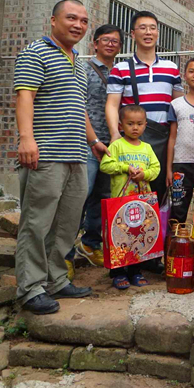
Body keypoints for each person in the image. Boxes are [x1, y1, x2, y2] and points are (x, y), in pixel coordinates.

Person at [14, 0, 105, 315]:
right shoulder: (35, 52)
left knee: (66, 225)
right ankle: (30, 289)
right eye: (71, 18)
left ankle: (55, 280)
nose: (78, 25)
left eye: (84, 20)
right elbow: (25, 96)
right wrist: (26, 139)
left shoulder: (78, 61)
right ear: (53, 20)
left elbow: (79, 108)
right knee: (36, 223)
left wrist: (94, 141)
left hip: (77, 155)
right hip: (45, 154)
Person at [105, 10, 182, 209]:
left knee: (158, 192)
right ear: (133, 34)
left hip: (163, 140)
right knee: (129, 193)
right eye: (142, 28)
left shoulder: (171, 68)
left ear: (157, 33)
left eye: (152, 28)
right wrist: (114, 134)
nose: (148, 32)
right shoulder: (121, 68)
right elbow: (112, 104)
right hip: (131, 142)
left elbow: (179, 106)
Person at [65, 24, 122, 280]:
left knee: (103, 196)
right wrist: (93, 139)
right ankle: (64, 254)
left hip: (113, 145)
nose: (110, 44)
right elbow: (79, 106)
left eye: (115, 41)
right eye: (105, 40)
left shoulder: (120, 72)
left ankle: (90, 244)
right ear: (95, 44)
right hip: (87, 142)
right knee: (79, 196)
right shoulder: (84, 70)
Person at [99, 104, 160, 290]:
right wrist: (125, 168)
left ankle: (135, 271)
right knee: (120, 236)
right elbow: (105, 165)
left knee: (138, 235)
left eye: (139, 124)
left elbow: (156, 168)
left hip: (141, 203)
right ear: (120, 126)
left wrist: (145, 174)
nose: (135, 128)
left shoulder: (147, 148)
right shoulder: (117, 146)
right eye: (130, 123)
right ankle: (118, 273)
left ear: (145, 125)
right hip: (120, 202)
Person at [166, 57, 194, 223]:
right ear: (185, 76)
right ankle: (176, 239)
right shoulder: (176, 104)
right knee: (178, 210)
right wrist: (169, 168)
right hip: (180, 164)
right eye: (191, 71)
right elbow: (172, 137)